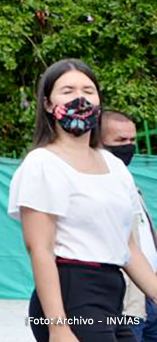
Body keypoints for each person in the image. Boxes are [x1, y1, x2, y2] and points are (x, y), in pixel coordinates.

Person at [10, 59, 157, 342]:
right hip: (71, 290)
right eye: (67, 91)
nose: (80, 97)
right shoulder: (42, 163)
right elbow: (39, 249)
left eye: (88, 90)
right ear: (48, 105)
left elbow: (128, 247)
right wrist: (58, 327)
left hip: (113, 292)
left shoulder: (114, 166)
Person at [102, 110, 157, 342]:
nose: (128, 147)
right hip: (123, 303)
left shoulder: (129, 184)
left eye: (132, 140)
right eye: (120, 141)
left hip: (148, 297)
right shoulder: (98, 189)